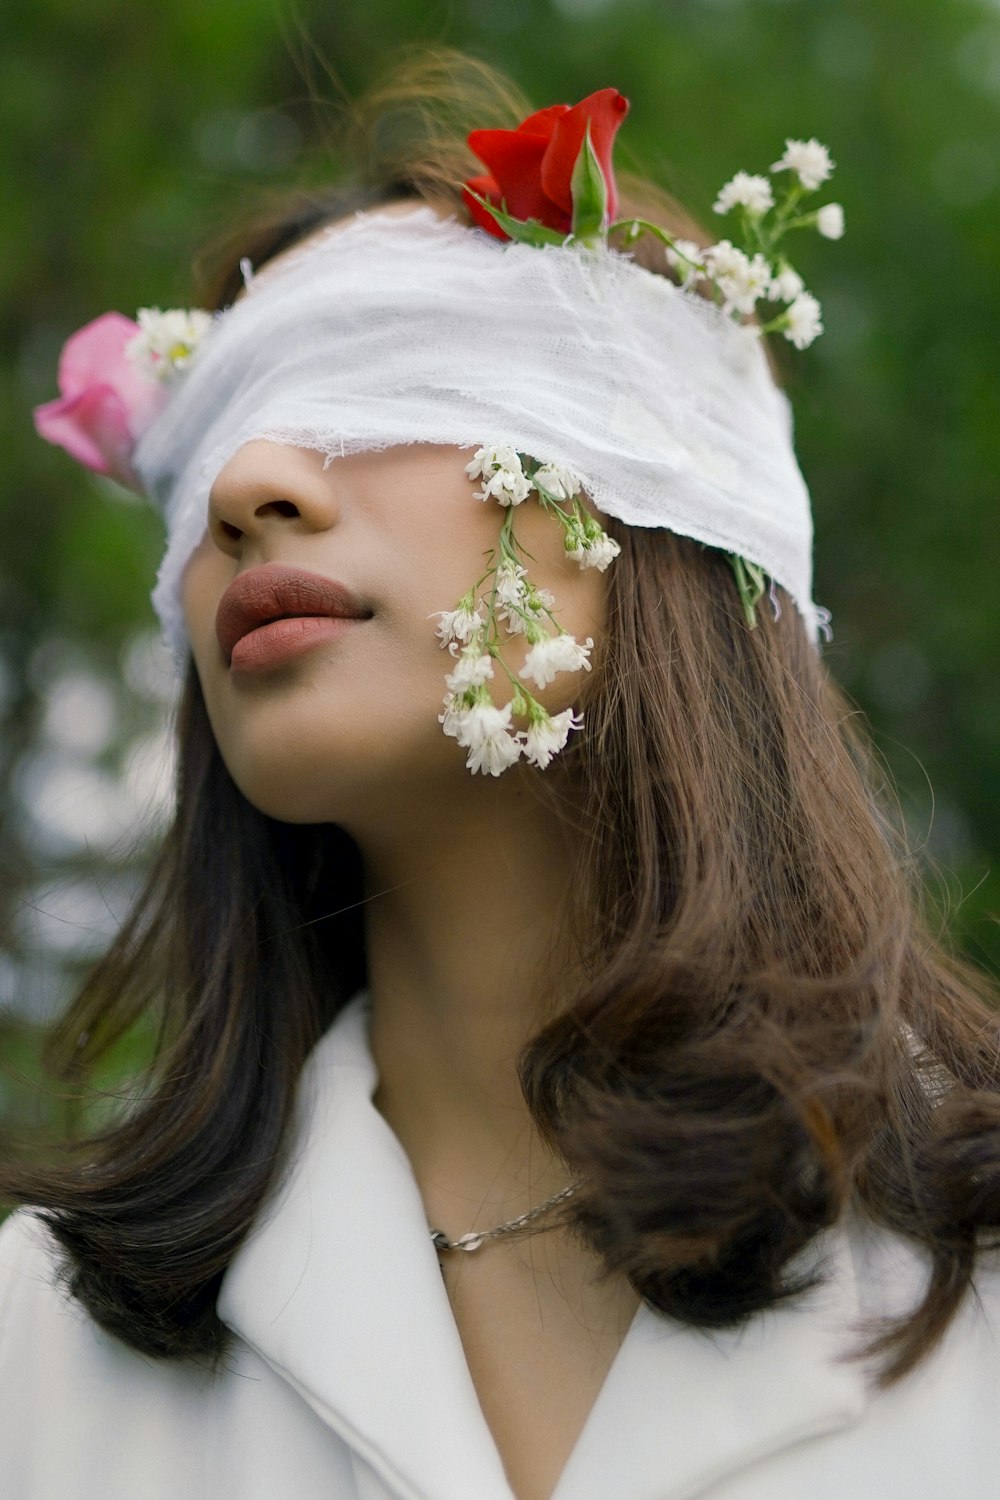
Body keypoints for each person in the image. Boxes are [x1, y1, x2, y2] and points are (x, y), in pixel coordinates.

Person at [4, 46, 1000, 1500]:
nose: (244, 489)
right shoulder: (39, 1357)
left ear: (665, 498)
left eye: (385, 374)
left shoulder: (968, 1284)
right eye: (217, 428)